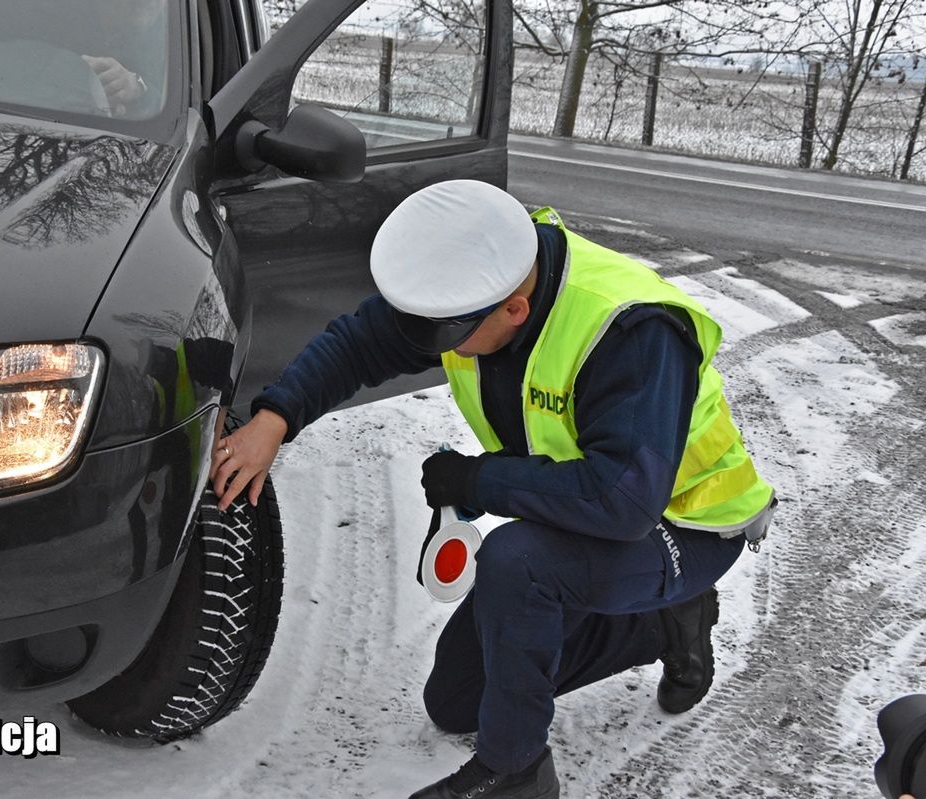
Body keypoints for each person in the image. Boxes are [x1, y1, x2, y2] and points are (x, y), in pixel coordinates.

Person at [210, 180, 777, 798]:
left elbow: (622, 501)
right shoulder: (474, 282)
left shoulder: (632, 330)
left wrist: (477, 480)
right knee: (457, 702)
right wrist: (276, 417)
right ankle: (658, 627)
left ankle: (518, 771)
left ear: (514, 311)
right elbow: (359, 343)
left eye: (441, 334)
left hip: (680, 525)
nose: (425, 343)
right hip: (583, 507)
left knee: (519, 563)